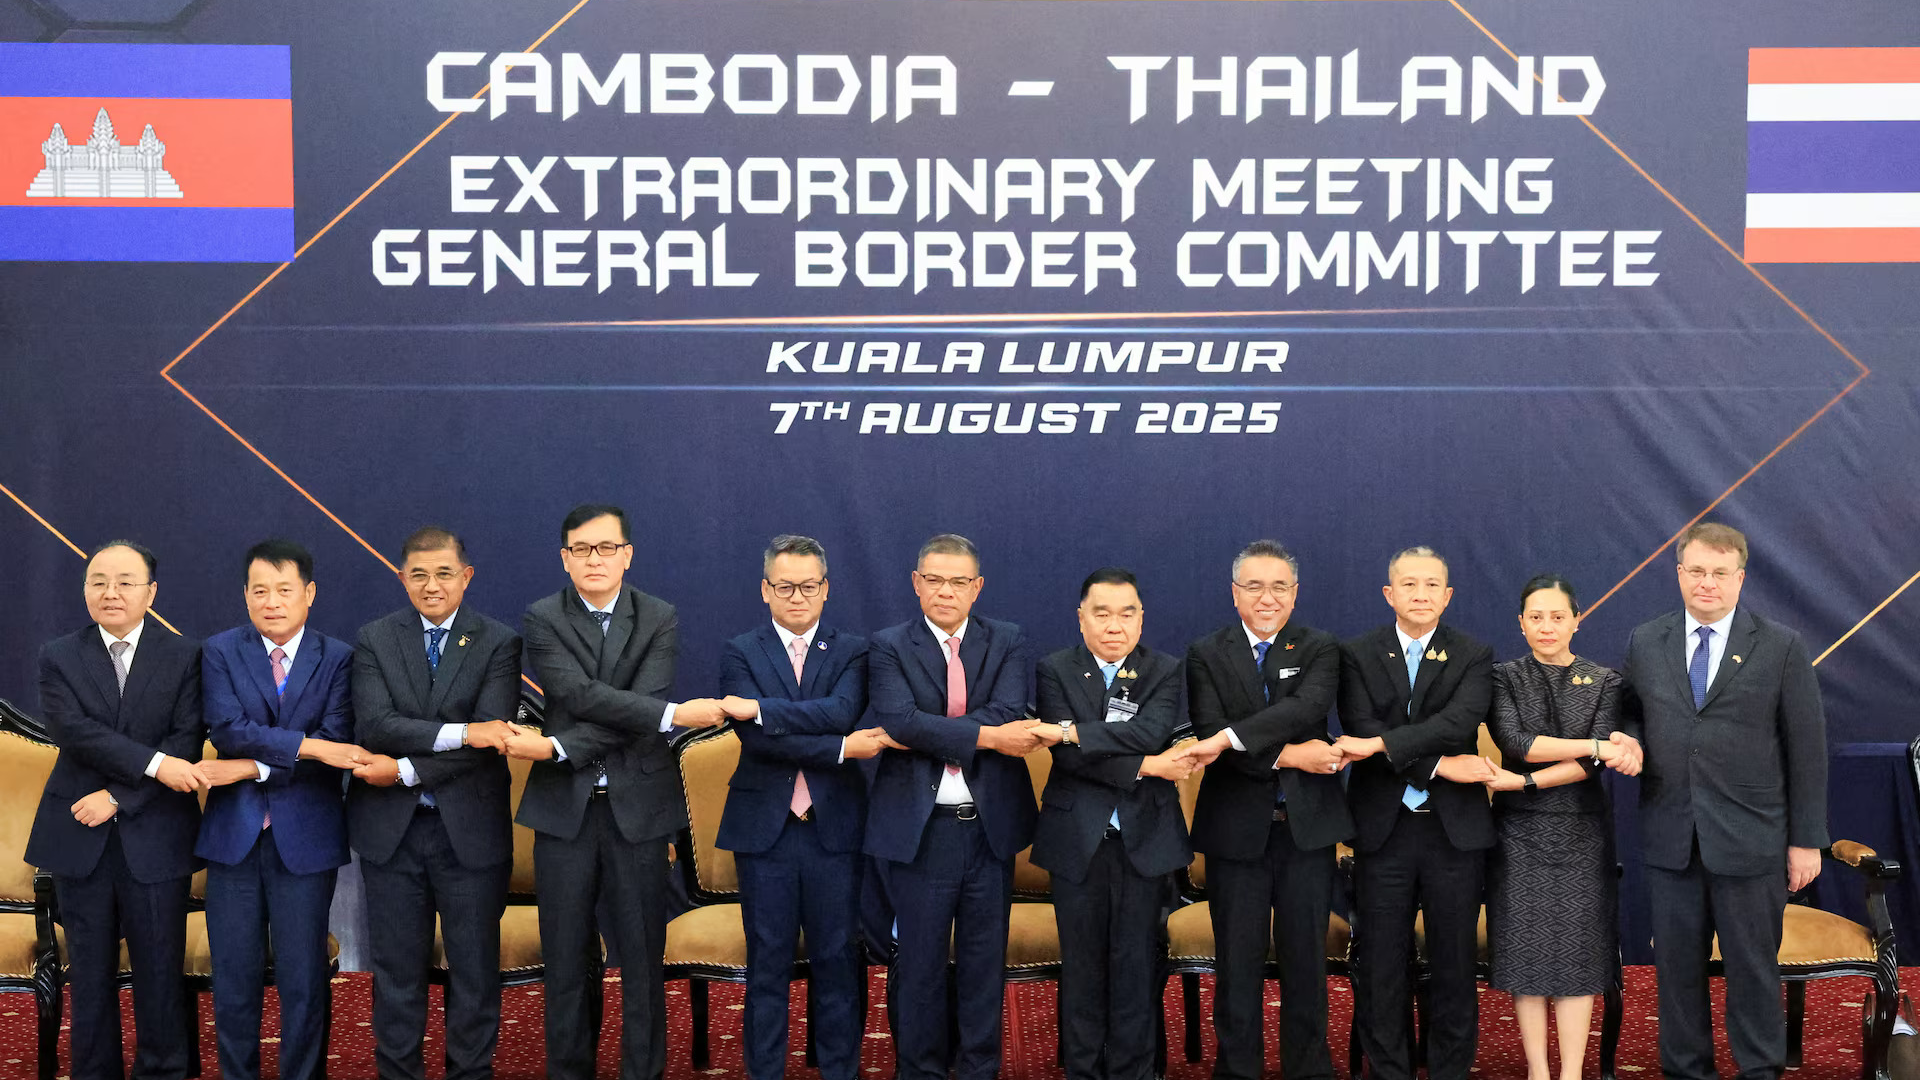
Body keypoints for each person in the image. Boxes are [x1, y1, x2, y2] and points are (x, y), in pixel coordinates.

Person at [506, 503, 727, 1080]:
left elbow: (636, 706)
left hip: (639, 808)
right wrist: (668, 714)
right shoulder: (542, 616)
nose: (595, 559)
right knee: (566, 961)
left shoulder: (658, 615)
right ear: (565, 558)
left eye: (607, 548)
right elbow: (576, 695)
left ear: (627, 555)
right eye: (582, 549)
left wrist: (559, 745)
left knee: (642, 961)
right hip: (565, 810)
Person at [1616, 522, 1828, 1080]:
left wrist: (1806, 841)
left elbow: (1807, 750)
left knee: (1753, 972)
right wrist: (1627, 737)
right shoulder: (1646, 640)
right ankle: (1686, 1071)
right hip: (1671, 837)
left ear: (1740, 578)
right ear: (1679, 574)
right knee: (1675, 973)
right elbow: (1630, 711)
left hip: (1752, 840)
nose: (1706, 582)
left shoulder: (1781, 645)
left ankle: (1759, 1070)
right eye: (1697, 571)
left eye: (1719, 573)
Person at [346, 527, 524, 1080]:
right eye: (418, 575)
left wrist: (405, 768)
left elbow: (492, 738)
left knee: (474, 973)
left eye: (444, 573)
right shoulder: (375, 639)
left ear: (466, 577)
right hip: (391, 835)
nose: (431, 585)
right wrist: (463, 732)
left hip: (469, 833)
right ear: (402, 579)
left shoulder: (498, 642)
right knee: (396, 974)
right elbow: (377, 726)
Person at [27, 541, 208, 1080]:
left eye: (126, 582)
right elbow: (75, 734)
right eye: (98, 582)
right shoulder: (59, 655)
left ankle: (164, 1070)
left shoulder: (185, 655)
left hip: (156, 833)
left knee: (160, 972)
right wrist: (152, 764)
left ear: (151, 593)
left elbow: (185, 742)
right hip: (80, 837)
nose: (111, 592)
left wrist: (119, 797)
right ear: (85, 590)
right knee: (89, 975)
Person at [863, 533, 1038, 1080]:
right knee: (920, 966)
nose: (945, 592)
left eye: (958, 582)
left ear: (977, 587)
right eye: (934, 580)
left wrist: (930, 731)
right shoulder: (888, 645)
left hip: (988, 830)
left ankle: (979, 1069)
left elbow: (1008, 708)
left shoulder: (1006, 639)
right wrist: (990, 738)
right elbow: (899, 720)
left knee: (984, 964)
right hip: (922, 832)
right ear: (916, 583)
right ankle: (920, 1070)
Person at [1179, 541, 1352, 1080]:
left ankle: (1309, 1070)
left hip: (1306, 829)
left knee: (1306, 961)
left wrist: (1231, 738)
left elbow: (1306, 708)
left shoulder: (1321, 647)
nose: (1267, 597)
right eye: (1254, 586)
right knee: (1237, 963)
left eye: (1279, 586)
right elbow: (1209, 732)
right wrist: (1291, 755)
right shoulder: (1206, 652)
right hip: (1235, 830)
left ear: (1294, 594)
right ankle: (1237, 1070)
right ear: (1235, 594)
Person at [198, 539, 370, 1080]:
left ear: (309, 593)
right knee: (234, 977)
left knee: (304, 978)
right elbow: (229, 732)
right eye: (259, 591)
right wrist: (307, 747)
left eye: (284, 590)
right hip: (234, 838)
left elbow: (339, 741)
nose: (271, 602)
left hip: (306, 836)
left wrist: (249, 768)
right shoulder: (220, 652)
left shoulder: (339, 658)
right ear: (245, 595)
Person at [714, 534, 882, 1080]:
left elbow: (841, 712)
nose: (797, 597)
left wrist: (762, 709)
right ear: (765, 590)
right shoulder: (740, 650)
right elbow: (757, 741)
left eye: (808, 586)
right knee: (767, 962)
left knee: (838, 958)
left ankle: (839, 1071)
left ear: (826, 589)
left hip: (836, 827)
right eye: (785, 587)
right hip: (766, 830)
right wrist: (837, 747)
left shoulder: (853, 650)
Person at [1334, 545, 1497, 1080]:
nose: (1420, 594)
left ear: (1447, 596)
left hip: (1453, 833)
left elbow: (1458, 724)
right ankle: (1390, 1071)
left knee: (1453, 963)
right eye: (1409, 584)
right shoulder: (1356, 654)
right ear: (1389, 593)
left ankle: (1450, 1070)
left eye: (1431, 585)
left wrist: (1386, 746)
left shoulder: (1473, 654)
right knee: (1382, 965)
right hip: (1383, 830)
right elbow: (1359, 727)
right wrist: (1441, 765)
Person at [1027, 567, 1193, 1080]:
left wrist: (1073, 732)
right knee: (1082, 969)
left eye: (1126, 614)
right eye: (1102, 614)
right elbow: (1068, 760)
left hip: (1145, 839)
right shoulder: (1055, 669)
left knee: (1135, 968)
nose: (1114, 625)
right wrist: (1148, 767)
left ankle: (1133, 1072)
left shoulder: (1164, 669)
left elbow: (1150, 732)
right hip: (1077, 841)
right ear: (1082, 619)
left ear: (1141, 619)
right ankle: (1083, 1071)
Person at [1483, 575, 1630, 1080]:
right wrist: (1595, 745)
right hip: (1517, 836)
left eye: (1558, 616)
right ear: (1521, 624)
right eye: (1536, 617)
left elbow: (1591, 766)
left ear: (1576, 621)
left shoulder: (1605, 681)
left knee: (1578, 959)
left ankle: (1570, 1074)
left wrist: (1526, 783)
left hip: (1582, 835)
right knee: (1525, 958)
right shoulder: (1503, 677)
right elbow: (1518, 743)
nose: (1547, 626)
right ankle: (1538, 1072)